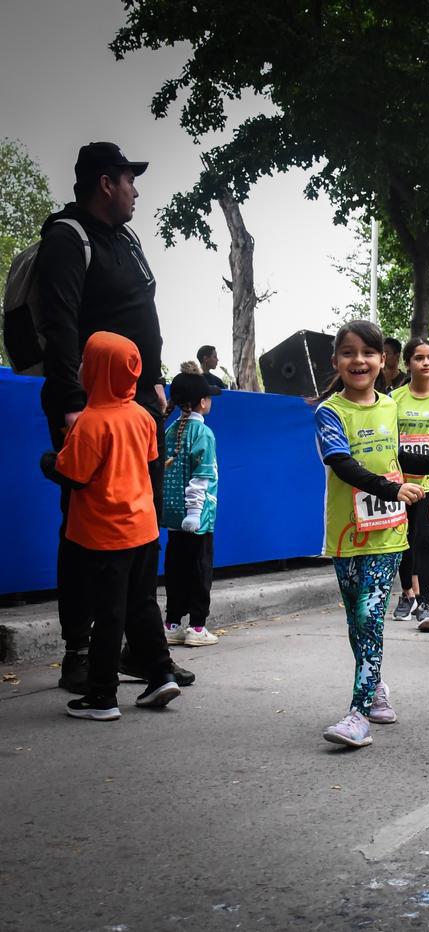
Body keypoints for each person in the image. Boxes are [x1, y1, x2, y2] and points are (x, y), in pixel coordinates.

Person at [35, 141, 193, 693]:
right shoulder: (66, 239)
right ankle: (79, 651)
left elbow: (138, 313)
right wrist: (74, 406)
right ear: (106, 182)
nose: (136, 190)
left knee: (140, 528)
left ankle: (141, 651)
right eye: (130, 179)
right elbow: (58, 327)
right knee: (86, 532)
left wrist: (153, 378)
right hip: (88, 409)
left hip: (137, 404)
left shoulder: (124, 238)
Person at [314, 320, 429, 748]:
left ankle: (358, 713)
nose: (358, 361)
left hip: (387, 535)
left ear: (383, 361)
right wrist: (392, 488)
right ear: (337, 362)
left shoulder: (389, 406)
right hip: (345, 535)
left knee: (369, 616)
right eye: (348, 353)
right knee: (355, 620)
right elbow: (342, 463)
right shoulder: (329, 413)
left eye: (367, 353)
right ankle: (377, 688)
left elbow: (395, 454)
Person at [39, 332, 181, 719]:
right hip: (143, 530)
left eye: (87, 360)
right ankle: (160, 673)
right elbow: (148, 459)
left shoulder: (91, 423)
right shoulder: (143, 416)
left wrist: (49, 461)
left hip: (105, 536)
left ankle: (101, 696)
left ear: (99, 370)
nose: (82, 367)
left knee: (107, 614)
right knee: (143, 604)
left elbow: (76, 475)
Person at [161, 362, 221, 647]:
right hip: (198, 520)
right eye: (208, 397)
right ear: (201, 402)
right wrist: (196, 513)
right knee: (200, 570)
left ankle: (172, 623)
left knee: (176, 569)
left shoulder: (170, 431)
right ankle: (197, 627)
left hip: (173, 517)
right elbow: (203, 475)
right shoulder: (203, 434)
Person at [390, 338, 429, 631]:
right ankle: (407, 593)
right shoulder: (394, 399)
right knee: (404, 542)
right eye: (419, 358)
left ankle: (424, 602)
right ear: (408, 363)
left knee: (425, 539)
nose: (425, 362)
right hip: (400, 485)